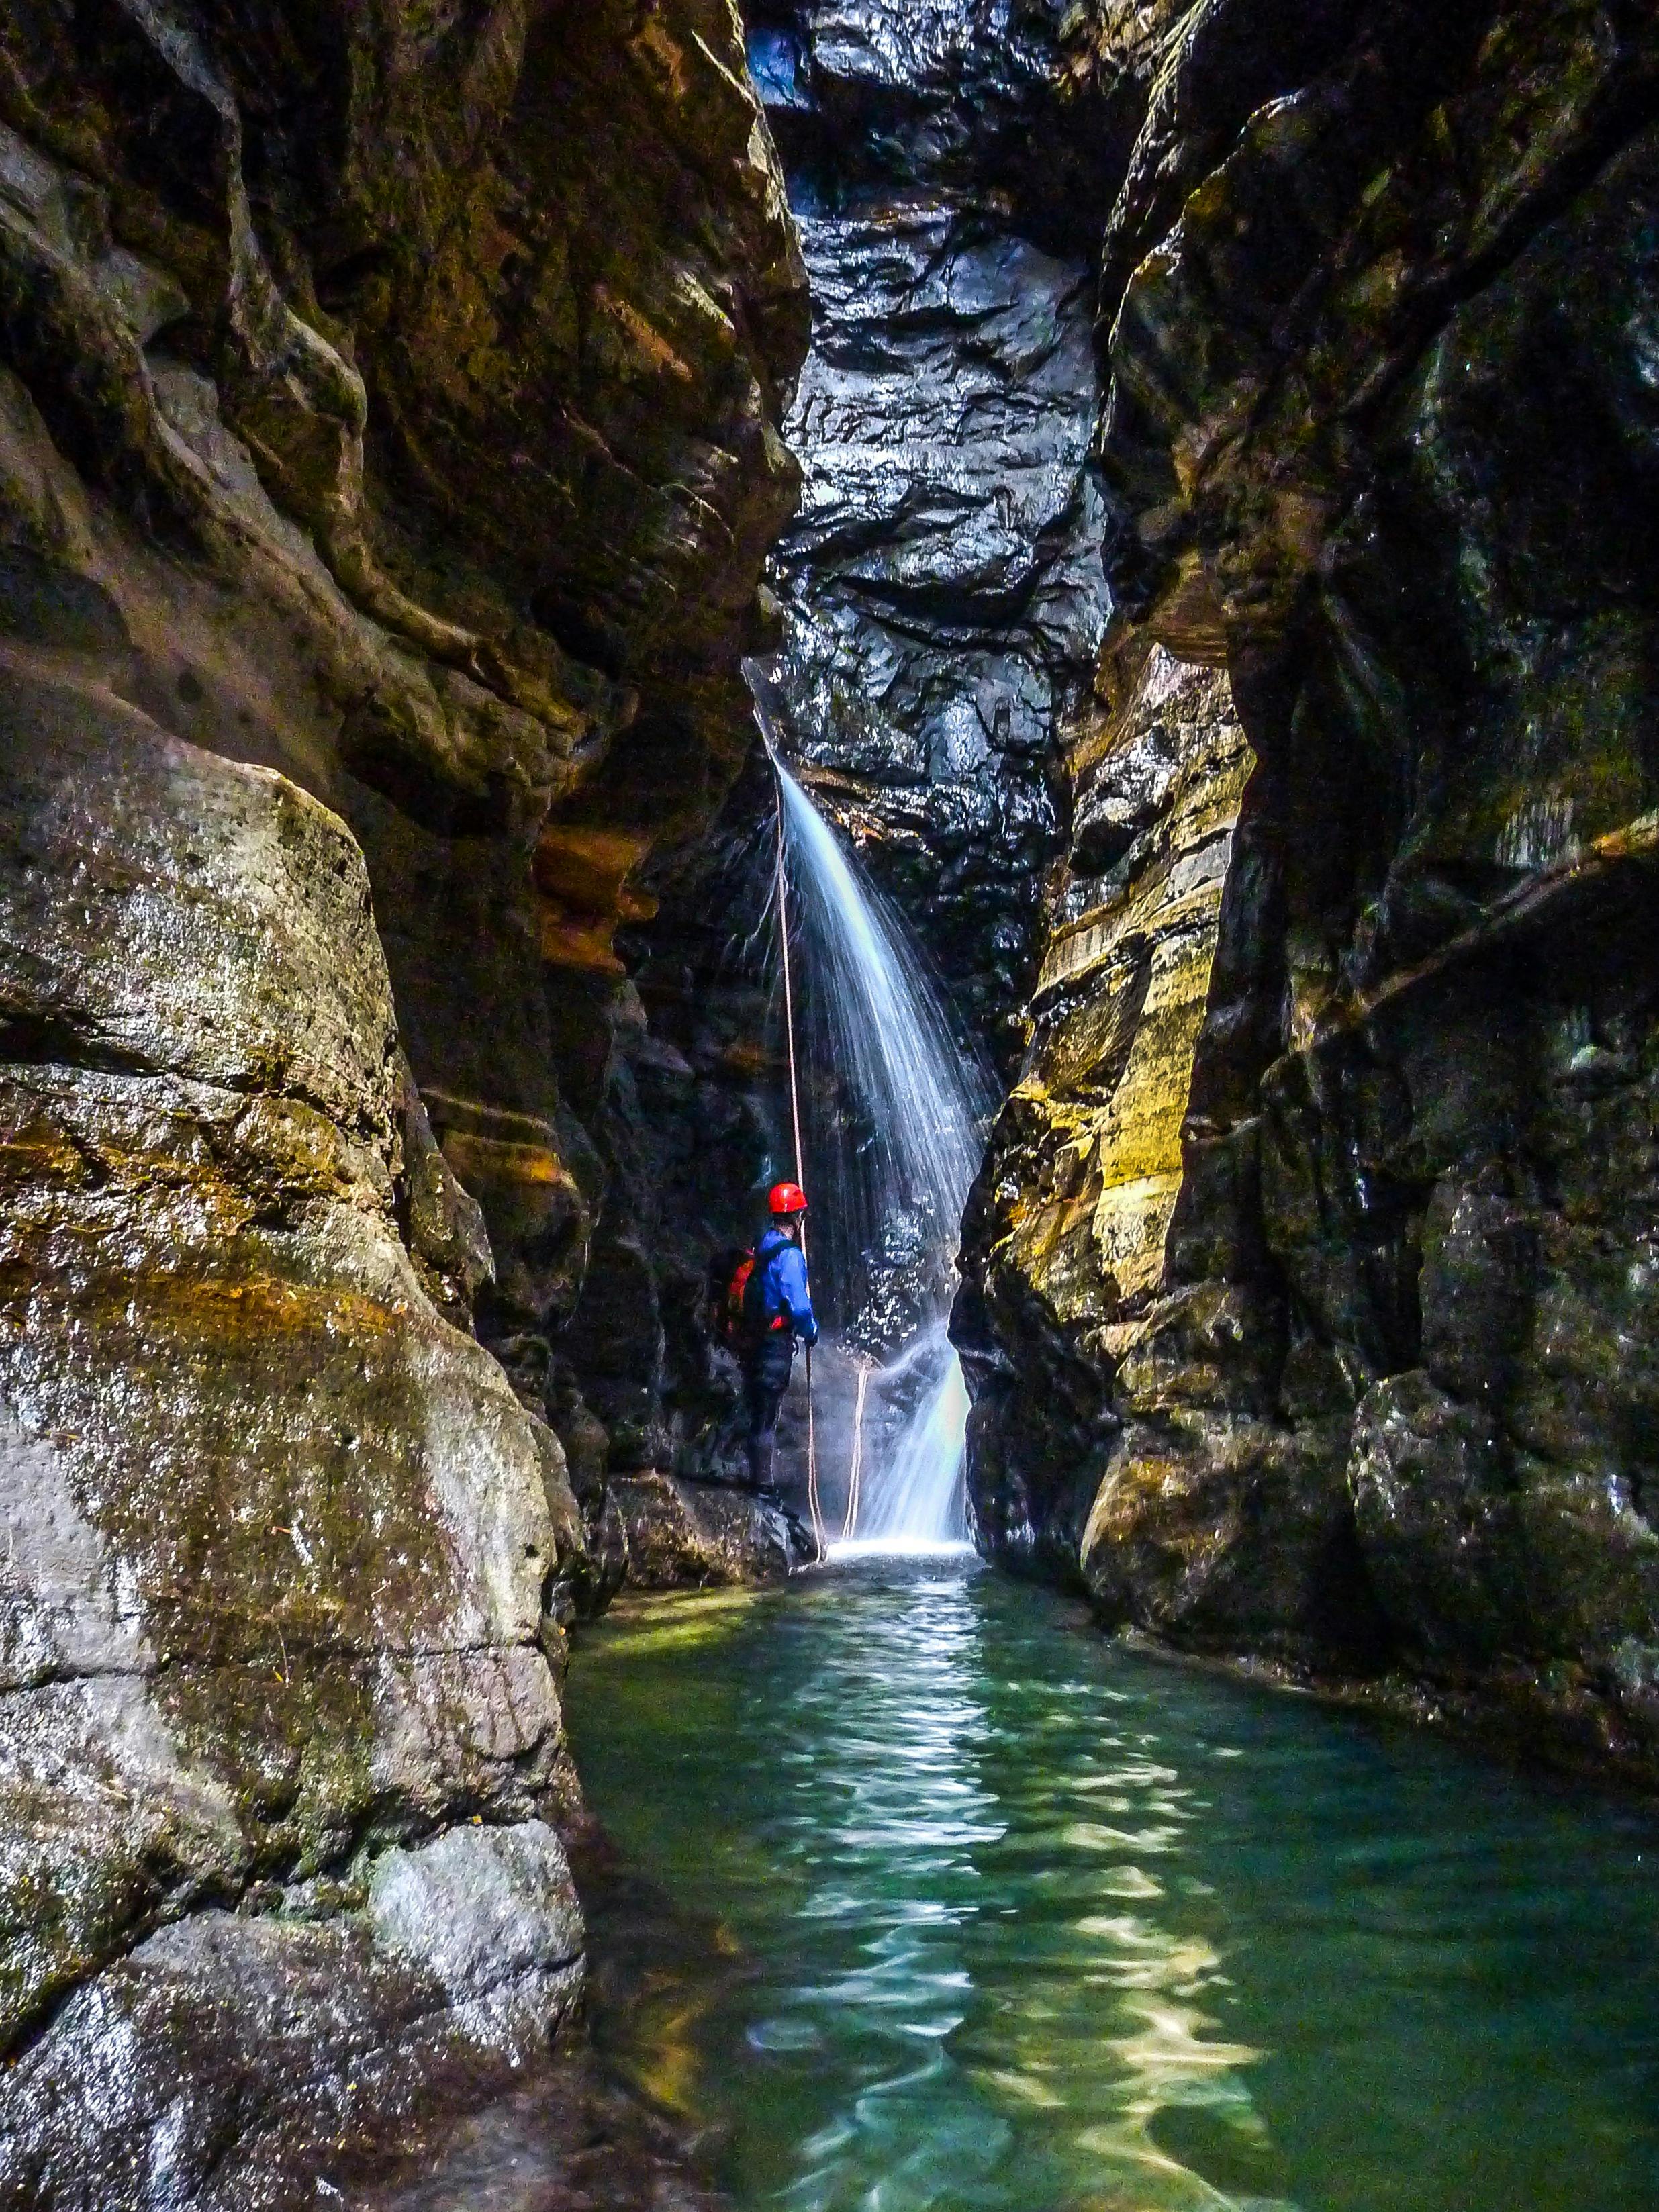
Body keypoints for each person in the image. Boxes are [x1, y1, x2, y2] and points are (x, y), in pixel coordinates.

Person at [741, 1180, 818, 1494]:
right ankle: (762, 1486)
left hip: (754, 1338)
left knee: (756, 1408)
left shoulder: (764, 1245)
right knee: (767, 1414)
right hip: (774, 1343)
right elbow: (798, 1304)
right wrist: (810, 1330)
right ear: (796, 1217)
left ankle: (755, 1480)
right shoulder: (789, 1256)